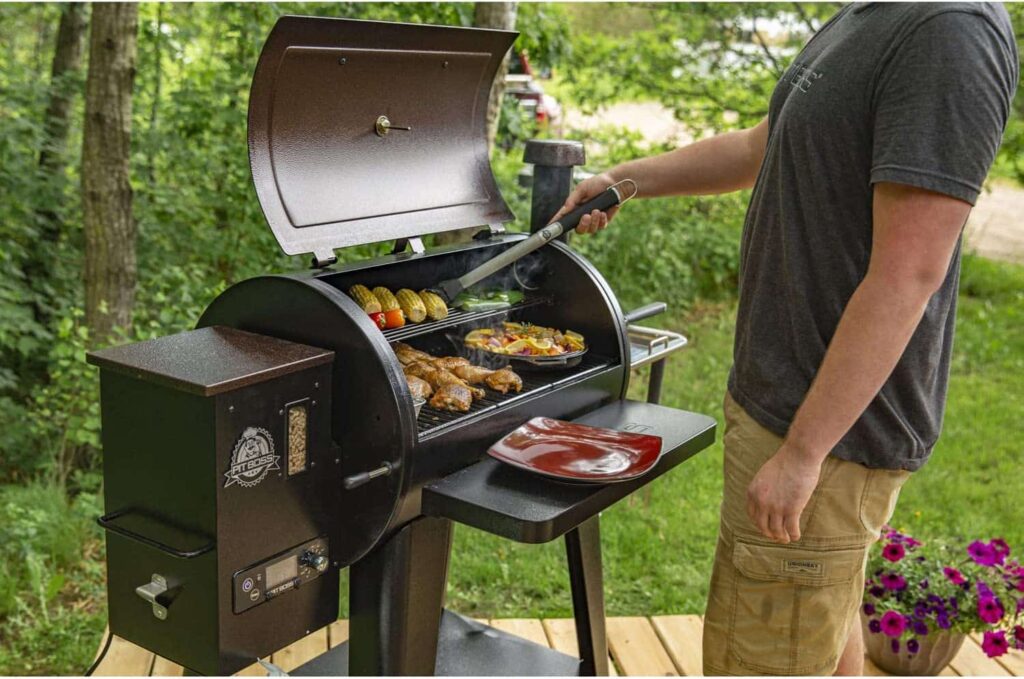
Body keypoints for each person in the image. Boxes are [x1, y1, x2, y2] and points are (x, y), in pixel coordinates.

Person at [552, 3, 1018, 675]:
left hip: (827, 435)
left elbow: (908, 275)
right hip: (786, 407)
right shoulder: (869, 14)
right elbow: (760, 145)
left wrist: (804, 452)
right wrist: (627, 180)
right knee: (824, 642)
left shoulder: (949, 33)